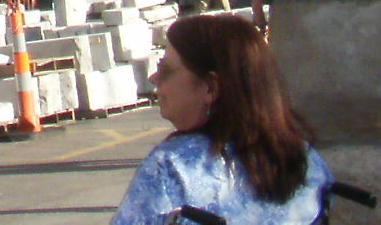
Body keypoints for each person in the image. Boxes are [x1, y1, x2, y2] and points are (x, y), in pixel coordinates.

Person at [108, 14, 330, 225]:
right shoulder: (304, 158)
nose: (154, 78)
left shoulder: (173, 167)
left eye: (165, 69)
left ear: (210, 88)